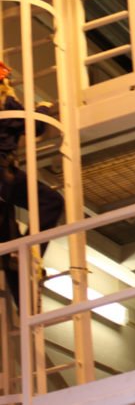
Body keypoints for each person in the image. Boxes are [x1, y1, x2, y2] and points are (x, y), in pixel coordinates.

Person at [0, 62, 64, 310]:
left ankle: (27, 308)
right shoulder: (6, 104)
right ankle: (28, 309)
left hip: (4, 180)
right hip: (4, 174)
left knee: (9, 244)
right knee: (51, 202)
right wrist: (43, 108)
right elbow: (35, 125)